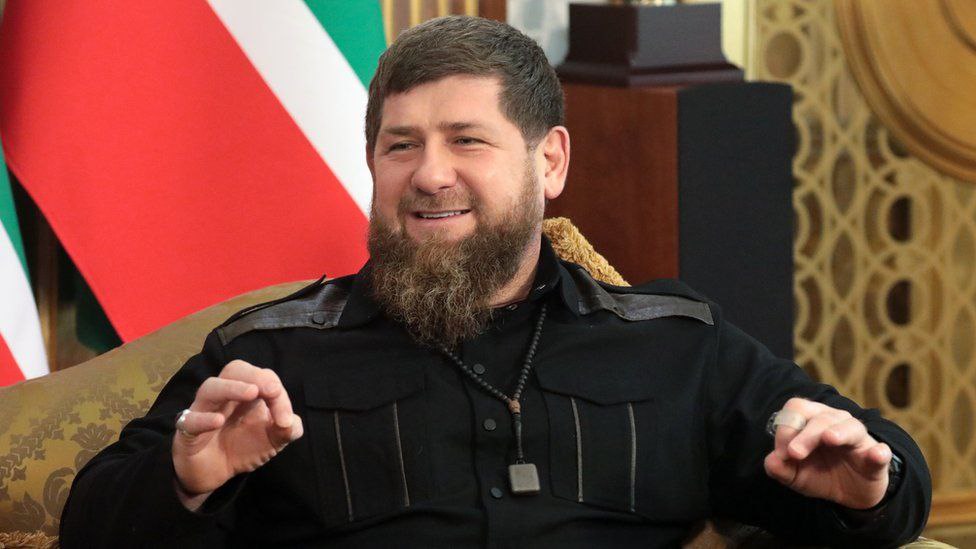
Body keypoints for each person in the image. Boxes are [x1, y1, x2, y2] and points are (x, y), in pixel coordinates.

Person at [60, 15, 930, 548]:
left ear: (549, 162)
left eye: (467, 140)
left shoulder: (674, 341)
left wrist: (870, 489)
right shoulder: (272, 357)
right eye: (401, 145)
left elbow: (879, 472)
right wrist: (188, 478)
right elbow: (91, 522)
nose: (429, 174)